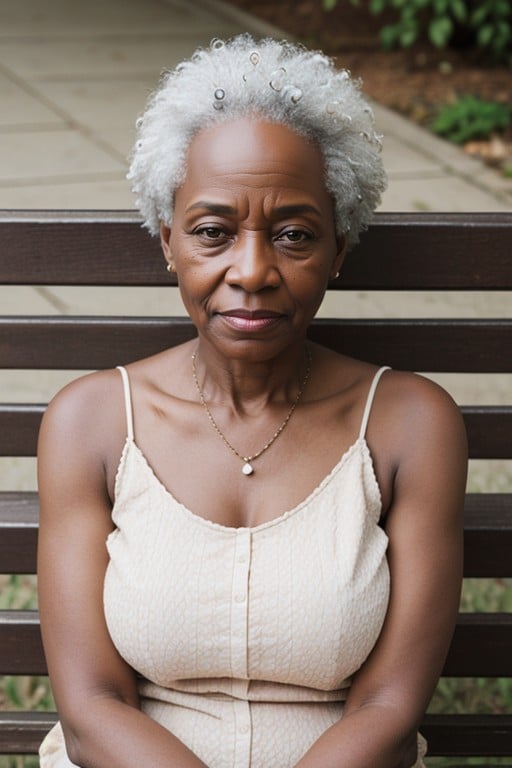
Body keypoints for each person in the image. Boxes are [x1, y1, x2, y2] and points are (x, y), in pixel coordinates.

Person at [37, 35, 467, 768]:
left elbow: (390, 708)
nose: (253, 270)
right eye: (213, 232)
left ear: (338, 249)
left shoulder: (411, 426)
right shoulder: (90, 422)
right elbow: (90, 709)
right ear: (167, 240)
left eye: (295, 235)